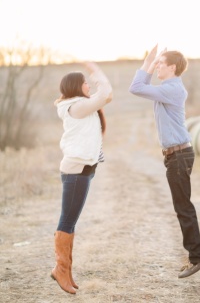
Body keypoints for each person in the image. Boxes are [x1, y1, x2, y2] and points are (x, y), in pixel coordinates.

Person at [129, 45, 200, 279]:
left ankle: (199, 256)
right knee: (182, 206)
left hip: (179, 155)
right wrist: (151, 63)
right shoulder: (167, 88)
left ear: (172, 67)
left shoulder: (171, 89)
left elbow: (135, 88)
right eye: (156, 63)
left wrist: (146, 62)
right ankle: (197, 255)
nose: (157, 67)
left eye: (160, 63)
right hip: (176, 155)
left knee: (183, 207)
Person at [52, 62, 113, 294]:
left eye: (88, 82)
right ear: (76, 87)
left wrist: (95, 77)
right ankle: (60, 270)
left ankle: (66, 272)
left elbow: (107, 96)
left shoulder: (81, 106)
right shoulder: (76, 107)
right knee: (67, 221)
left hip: (82, 170)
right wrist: (96, 71)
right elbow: (105, 93)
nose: (88, 85)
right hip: (76, 171)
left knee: (70, 221)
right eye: (85, 82)